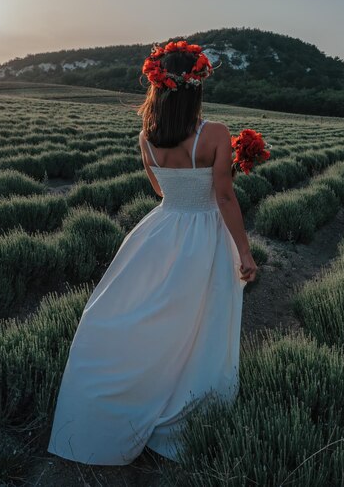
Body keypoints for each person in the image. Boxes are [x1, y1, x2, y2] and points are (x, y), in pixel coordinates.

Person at [47, 40, 257, 466]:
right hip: (205, 235)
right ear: (195, 86)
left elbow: (161, 190)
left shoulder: (146, 135)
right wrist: (245, 251)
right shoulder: (213, 133)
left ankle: (121, 402)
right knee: (200, 322)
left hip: (161, 230)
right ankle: (182, 418)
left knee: (145, 312)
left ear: (159, 87)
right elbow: (224, 198)